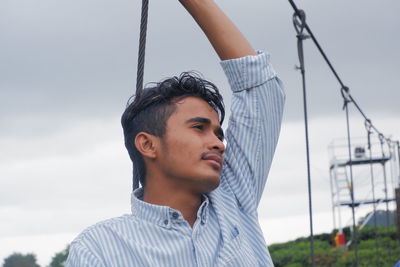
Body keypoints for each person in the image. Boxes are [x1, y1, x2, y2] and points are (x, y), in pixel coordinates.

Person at [66, 0, 285, 266]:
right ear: (147, 144)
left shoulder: (234, 199)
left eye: (219, 134)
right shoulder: (98, 248)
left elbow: (260, 88)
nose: (218, 144)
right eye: (198, 128)